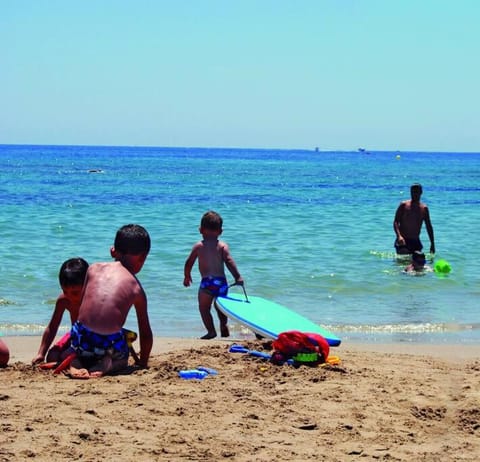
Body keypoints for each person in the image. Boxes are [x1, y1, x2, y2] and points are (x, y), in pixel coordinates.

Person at [69, 224, 153, 379]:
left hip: (82, 341)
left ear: (112, 250)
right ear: (142, 257)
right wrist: (143, 362)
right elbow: (145, 332)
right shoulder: (136, 288)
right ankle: (110, 363)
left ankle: (76, 360)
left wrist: (76, 340)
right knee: (122, 356)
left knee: (83, 339)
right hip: (107, 345)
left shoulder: (93, 268)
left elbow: (81, 308)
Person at [184, 211, 244, 339]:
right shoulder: (222, 246)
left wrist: (187, 276)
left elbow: (189, 262)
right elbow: (229, 261)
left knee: (204, 308)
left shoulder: (198, 246)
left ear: (200, 230)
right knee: (221, 308)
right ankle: (223, 325)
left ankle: (211, 331)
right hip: (221, 283)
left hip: (206, 283)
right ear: (220, 231)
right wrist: (237, 277)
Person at [32, 258, 89, 365]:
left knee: (82, 357)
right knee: (52, 357)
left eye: (75, 292)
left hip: (95, 340)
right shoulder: (64, 300)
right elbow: (52, 327)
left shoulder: (93, 300)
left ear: (87, 284)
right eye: (65, 291)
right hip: (75, 337)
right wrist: (41, 353)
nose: (69, 296)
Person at [393, 183, 435, 255]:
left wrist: (432, 244)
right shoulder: (404, 205)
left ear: (421, 192)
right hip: (403, 240)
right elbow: (396, 222)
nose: (414, 194)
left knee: (418, 263)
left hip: (416, 241)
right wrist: (399, 236)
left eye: (416, 192)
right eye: (412, 192)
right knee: (403, 262)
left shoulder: (424, 208)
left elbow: (429, 226)